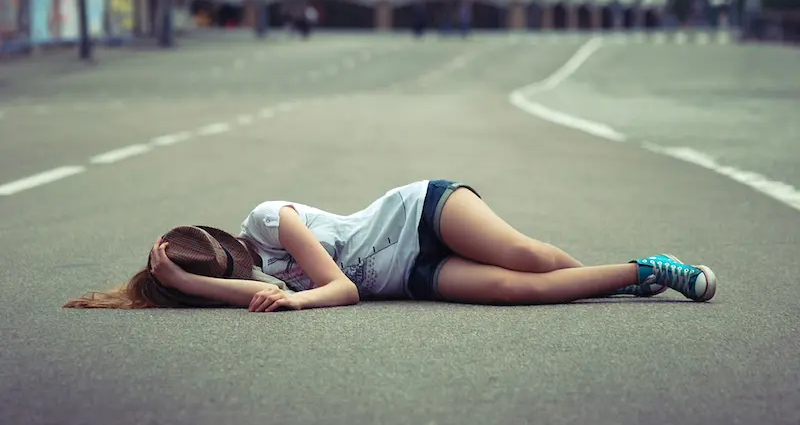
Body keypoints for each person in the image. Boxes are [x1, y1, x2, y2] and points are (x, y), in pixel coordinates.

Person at [63, 180, 716, 312]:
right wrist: (187, 284)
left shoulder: (269, 221)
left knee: (531, 258)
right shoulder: (257, 284)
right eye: (219, 277)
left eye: (222, 261)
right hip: (411, 276)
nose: (237, 270)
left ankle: (636, 274)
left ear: (225, 237)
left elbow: (342, 289)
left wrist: (298, 302)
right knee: (516, 291)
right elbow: (259, 292)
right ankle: (641, 271)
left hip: (420, 213)